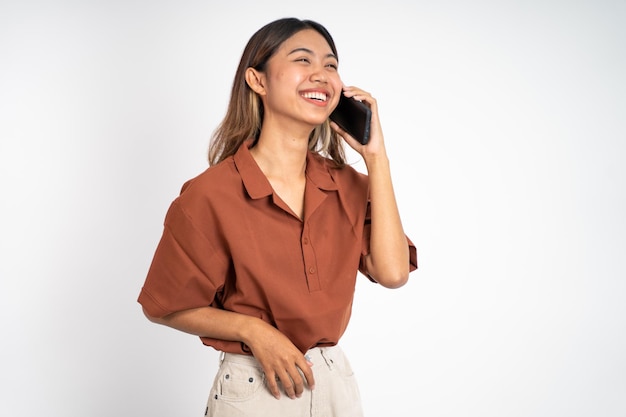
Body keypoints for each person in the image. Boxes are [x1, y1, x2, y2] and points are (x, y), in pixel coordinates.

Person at [138, 17, 418, 417]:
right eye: (303, 60)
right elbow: (162, 305)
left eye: (331, 65)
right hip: (255, 386)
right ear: (258, 80)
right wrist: (253, 330)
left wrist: (376, 158)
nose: (321, 75)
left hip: (334, 381)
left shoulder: (349, 185)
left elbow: (393, 273)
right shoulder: (211, 194)